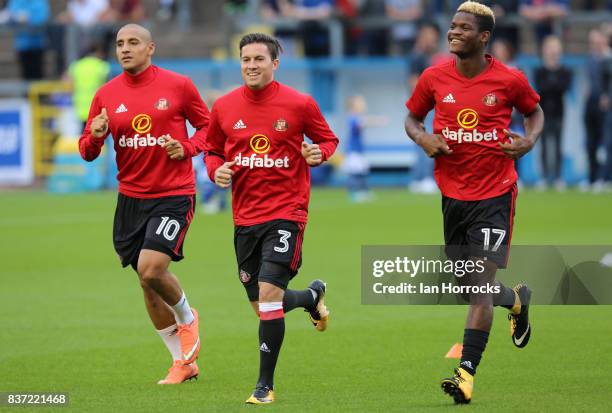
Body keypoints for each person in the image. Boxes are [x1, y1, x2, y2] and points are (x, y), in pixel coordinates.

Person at [404, 1, 544, 404]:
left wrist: (528, 141)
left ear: (484, 38)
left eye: (463, 28)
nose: (453, 32)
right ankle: (516, 300)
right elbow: (412, 118)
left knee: (479, 287)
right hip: (452, 196)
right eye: (452, 26)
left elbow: (534, 113)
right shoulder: (433, 77)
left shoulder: (508, 79)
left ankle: (465, 373)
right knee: (469, 286)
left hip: (495, 193)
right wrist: (422, 137)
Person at [203, 32, 338, 404]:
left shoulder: (299, 104)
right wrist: (216, 170)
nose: (251, 65)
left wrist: (318, 154)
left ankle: (264, 386)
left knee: (267, 295)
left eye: (259, 59)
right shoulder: (226, 106)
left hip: (287, 212)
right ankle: (311, 298)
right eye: (246, 59)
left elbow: (328, 140)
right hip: (245, 217)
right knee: (262, 304)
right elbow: (211, 150)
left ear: (275, 64)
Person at [78, 24, 209, 385]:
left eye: (133, 42)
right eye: (119, 43)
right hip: (130, 200)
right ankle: (183, 363)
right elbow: (87, 151)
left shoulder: (178, 85)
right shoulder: (105, 94)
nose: (124, 48)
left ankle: (187, 317)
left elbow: (208, 129)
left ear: (150, 48)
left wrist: (186, 148)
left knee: (152, 269)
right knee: (146, 284)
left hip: (173, 195)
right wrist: (96, 135)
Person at [534, 35, 572, 189]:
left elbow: (563, 88)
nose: (552, 52)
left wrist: (552, 85)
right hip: (542, 113)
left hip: (559, 112)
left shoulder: (565, 71)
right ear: (544, 51)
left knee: (558, 144)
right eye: (549, 49)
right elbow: (541, 88)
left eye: (554, 49)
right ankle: (544, 176)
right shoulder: (539, 70)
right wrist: (553, 85)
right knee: (543, 145)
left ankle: (557, 177)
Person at [343, 94, 387, 202]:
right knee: (355, 172)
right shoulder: (352, 118)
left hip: (359, 151)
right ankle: (354, 193)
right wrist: (378, 121)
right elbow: (363, 123)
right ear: (353, 106)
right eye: (360, 103)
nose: (363, 105)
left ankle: (363, 191)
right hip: (353, 152)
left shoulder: (356, 118)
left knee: (362, 171)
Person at [584, 29, 610, 189]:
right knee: (591, 143)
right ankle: (593, 178)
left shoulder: (608, 59)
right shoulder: (591, 60)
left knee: (607, 143)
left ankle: (604, 177)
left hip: (607, 107)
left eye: (597, 41)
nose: (595, 45)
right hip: (592, 105)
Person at [65, 42, 110, 130]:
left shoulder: (76, 66)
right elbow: (107, 87)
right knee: (99, 135)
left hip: (80, 107)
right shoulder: (102, 66)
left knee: (85, 134)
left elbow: (68, 84)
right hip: (97, 108)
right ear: (98, 52)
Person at [3, 0, 49, 80]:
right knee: (26, 76)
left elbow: (41, 18)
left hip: (37, 44)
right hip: (22, 45)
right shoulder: (16, 1)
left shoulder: (40, 2)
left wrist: (24, 17)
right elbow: (10, 15)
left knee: (37, 75)